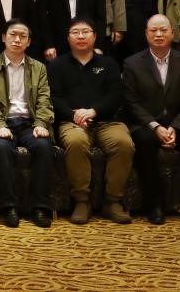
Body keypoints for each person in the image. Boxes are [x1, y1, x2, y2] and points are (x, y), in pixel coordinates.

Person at [124, 15, 180, 227]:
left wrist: (174, 127)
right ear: (146, 34)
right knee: (145, 143)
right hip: (147, 124)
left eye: (163, 30)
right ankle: (154, 205)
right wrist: (155, 127)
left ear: (172, 33)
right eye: (153, 30)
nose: (158, 34)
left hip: (178, 124)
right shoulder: (132, 64)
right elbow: (131, 102)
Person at [47, 18, 133, 224]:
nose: (81, 36)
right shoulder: (57, 65)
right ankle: (81, 201)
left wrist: (93, 111)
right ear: (68, 38)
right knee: (76, 142)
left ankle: (113, 201)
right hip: (71, 121)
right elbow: (54, 97)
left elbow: (116, 95)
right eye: (75, 32)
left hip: (106, 121)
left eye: (85, 31)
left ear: (94, 36)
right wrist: (74, 115)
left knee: (123, 143)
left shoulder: (108, 63)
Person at [0, 19, 54, 228]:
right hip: (4, 123)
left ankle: (40, 207)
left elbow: (44, 99)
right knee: (0, 147)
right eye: (12, 35)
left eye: (23, 36)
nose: (17, 39)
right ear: (4, 38)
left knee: (44, 146)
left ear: (29, 42)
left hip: (30, 123)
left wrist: (41, 123)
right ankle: (8, 206)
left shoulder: (38, 67)